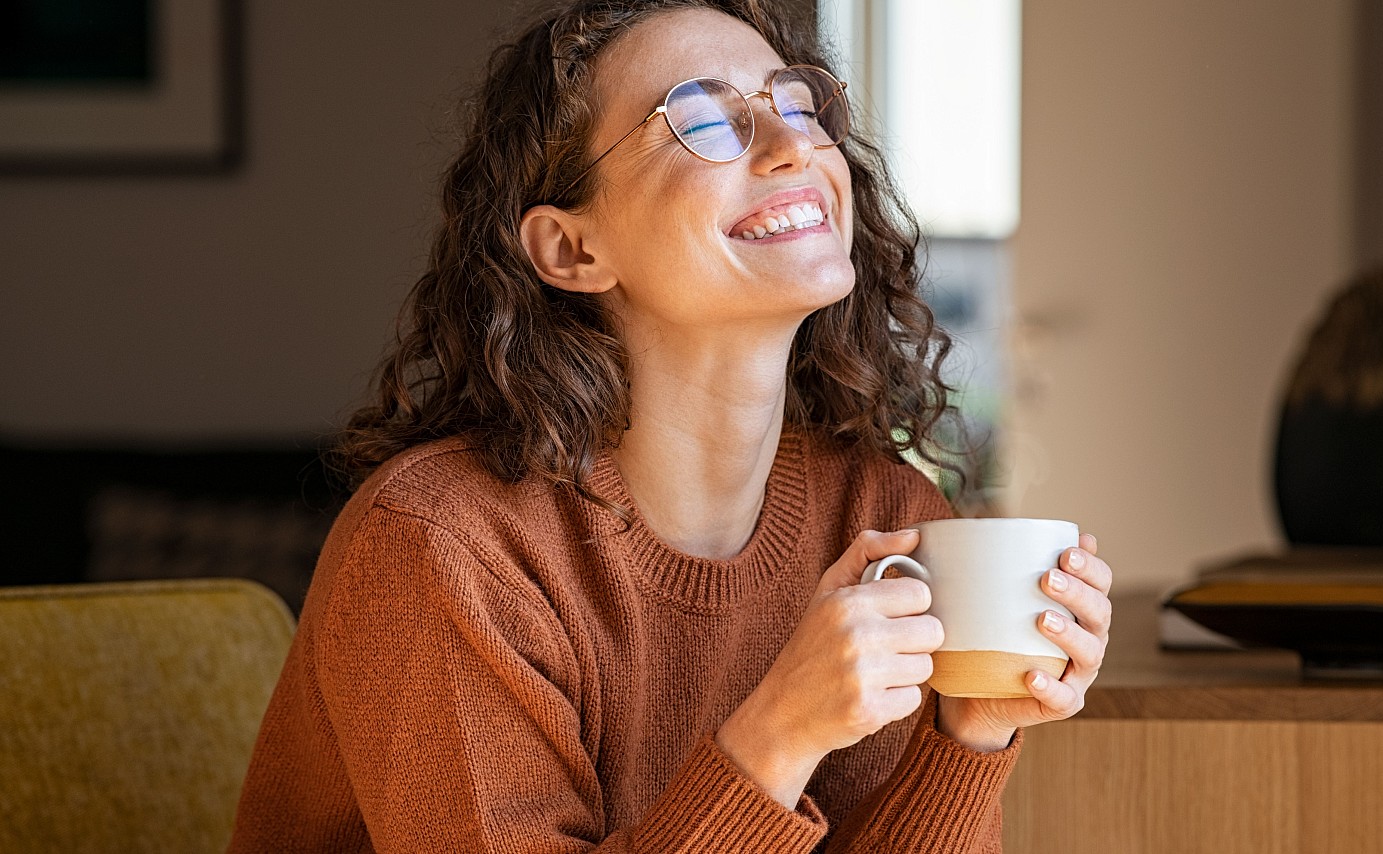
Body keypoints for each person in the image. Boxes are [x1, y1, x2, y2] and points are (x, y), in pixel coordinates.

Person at [228, 0, 1114, 851]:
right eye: (701, 119)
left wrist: (970, 736)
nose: (791, 146)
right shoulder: (444, 547)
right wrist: (777, 734)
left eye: (797, 103)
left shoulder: (881, 510)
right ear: (573, 250)